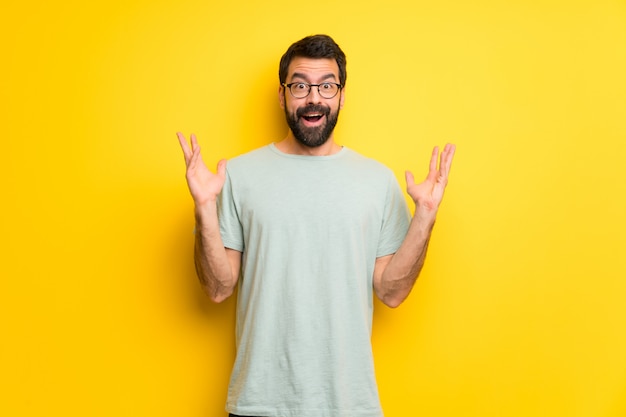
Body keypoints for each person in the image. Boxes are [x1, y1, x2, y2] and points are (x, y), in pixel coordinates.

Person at [177, 34, 455, 417]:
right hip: (259, 404)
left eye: (326, 85)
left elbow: (392, 292)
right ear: (282, 95)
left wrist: (425, 215)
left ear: (341, 95)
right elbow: (217, 288)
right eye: (300, 85)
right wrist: (204, 207)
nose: (313, 98)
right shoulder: (239, 175)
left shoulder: (376, 181)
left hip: (348, 405)